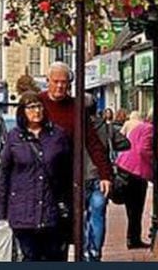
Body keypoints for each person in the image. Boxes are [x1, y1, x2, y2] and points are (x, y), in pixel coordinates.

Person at [40, 62, 113, 261]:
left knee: (62, 230)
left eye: (64, 83)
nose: (60, 86)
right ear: (47, 81)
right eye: (55, 82)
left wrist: (105, 175)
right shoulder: (37, 104)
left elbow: (93, 143)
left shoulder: (75, 108)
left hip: (65, 178)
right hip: (39, 177)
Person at [0, 91, 72, 261]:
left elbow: (67, 172)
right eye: (30, 107)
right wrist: (1, 212)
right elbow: (5, 174)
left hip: (51, 210)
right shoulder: (14, 137)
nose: (36, 111)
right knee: (30, 255)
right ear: (22, 111)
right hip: (23, 211)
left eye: (38, 106)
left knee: (53, 256)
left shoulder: (57, 135)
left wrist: (68, 203)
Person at [115, 112, 154, 249]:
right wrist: (154, 163)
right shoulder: (150, 129)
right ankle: (133, 239)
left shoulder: (140, 127)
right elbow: (144, 150)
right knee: (136, 207)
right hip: (136, 170)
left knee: (132, 207)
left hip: (125, 165)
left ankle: (132, 238)